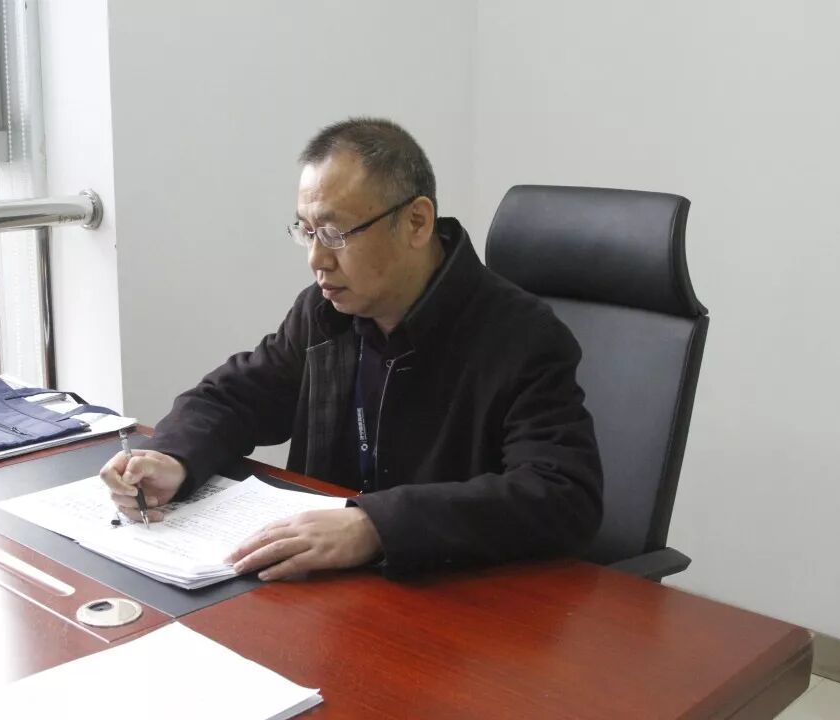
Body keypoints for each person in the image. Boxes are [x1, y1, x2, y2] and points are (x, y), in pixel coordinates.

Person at [100, 118, 602, 581]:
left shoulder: (520, 336)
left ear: (417, 222)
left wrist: (375, 525)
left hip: (450, 598)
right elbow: (236, 397)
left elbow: (561, 496)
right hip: (328, 592)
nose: (317, 258)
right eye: (307, 231)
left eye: (336, 233)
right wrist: (172, 456)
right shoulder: (325, 315)